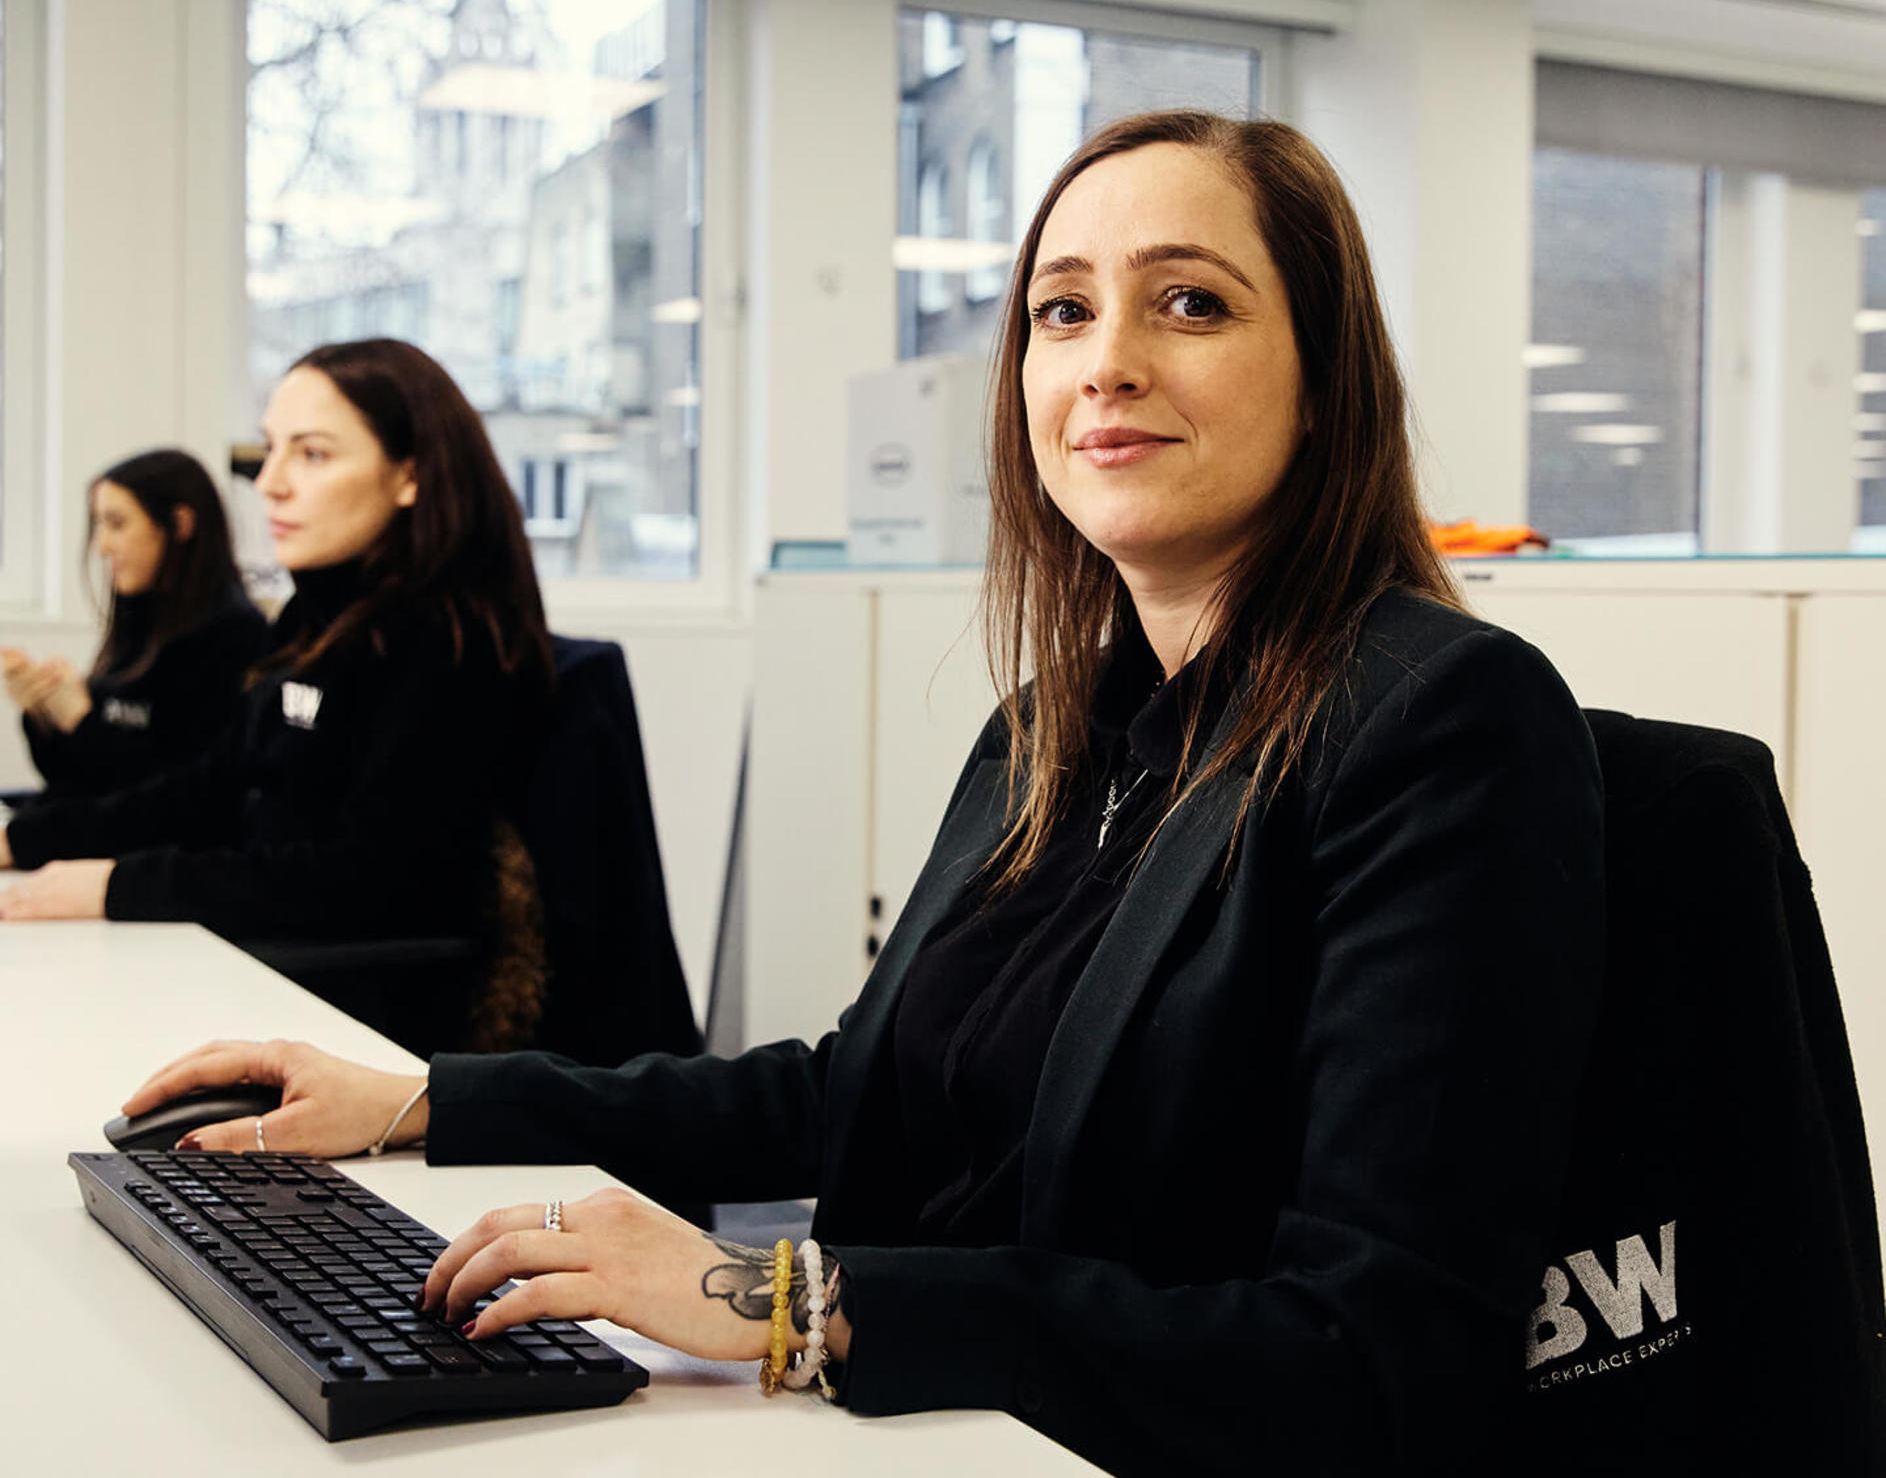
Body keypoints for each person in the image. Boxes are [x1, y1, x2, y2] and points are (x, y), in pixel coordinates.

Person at [115, 114, 1605, 1475]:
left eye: (1191, 301)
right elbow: (852, 1095)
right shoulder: (1058, 726)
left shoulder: (1437, 722)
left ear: (1324, 375)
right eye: (1062, 310)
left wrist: (785, 1301)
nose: (1106, 362)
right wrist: (421, 1100)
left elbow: (1373, 1354)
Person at [0, 339, 556, 1052]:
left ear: (410, 476)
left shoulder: (448, 641)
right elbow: (206, 788)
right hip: (273, 963)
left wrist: (117, 886)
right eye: (271, 449)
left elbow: (367, 880)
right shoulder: (312, 619)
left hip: (365, 1017)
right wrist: (27, 841)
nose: (269, 482)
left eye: (313, 454)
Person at [2, 449, 266, 799]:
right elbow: (73, 777)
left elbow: (176, 796)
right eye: (99, 524)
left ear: (180, 524)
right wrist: (44, 715)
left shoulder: (232, 634)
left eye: (117, 523)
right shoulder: (138, 621)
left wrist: (80, 721)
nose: (102, 546)